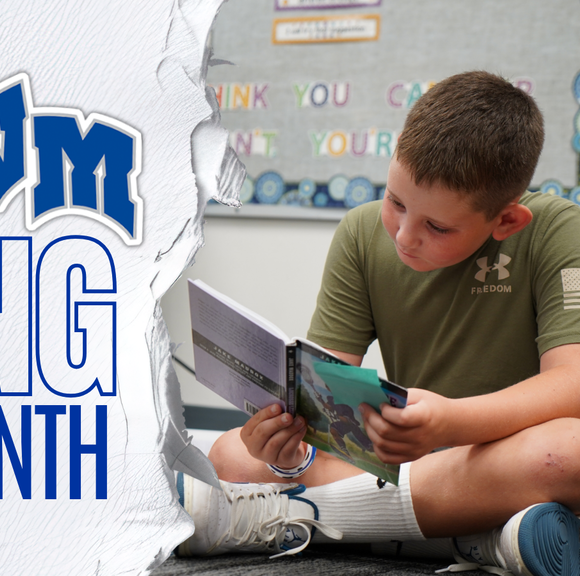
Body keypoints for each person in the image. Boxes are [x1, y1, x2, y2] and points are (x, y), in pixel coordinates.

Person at [177, 71, 580, 576]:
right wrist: (288, 447)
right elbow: (322, 395)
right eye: (395, 202)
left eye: (437, 226)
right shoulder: (362, 232)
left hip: (500, 453)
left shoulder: (558, 228)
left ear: (505, 222)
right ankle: (483, 538)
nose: (405, 236)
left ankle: (300, 519)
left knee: (568, 451)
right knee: (233, 454)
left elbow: (572, 384)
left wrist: (452, 421)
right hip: (407, 462)